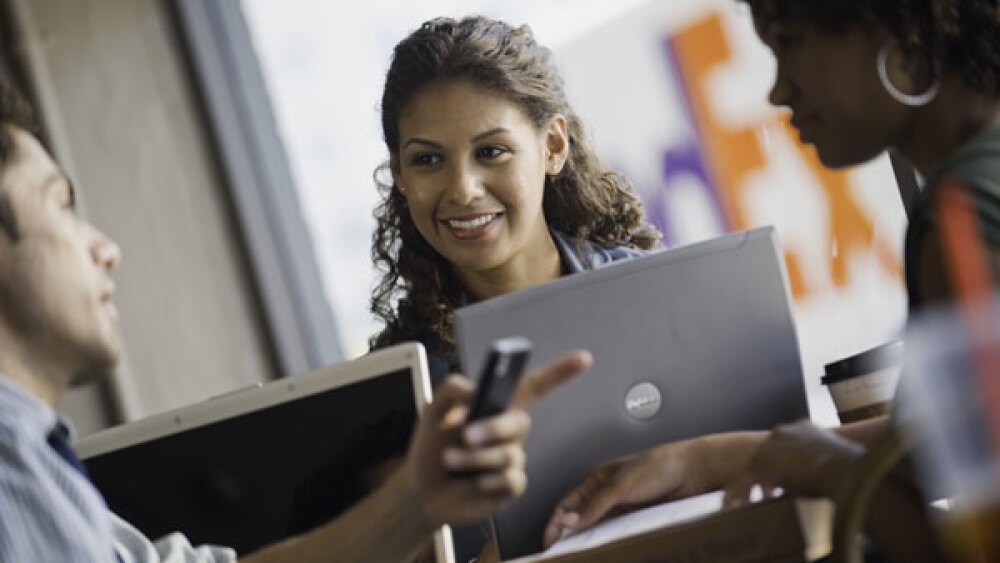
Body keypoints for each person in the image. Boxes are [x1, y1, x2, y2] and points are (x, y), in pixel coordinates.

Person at [0, 81, 593, 562]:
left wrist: (417, 501)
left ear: (553, 146)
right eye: (58, 204)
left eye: (490, 150)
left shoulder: (44, 474)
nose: (106, 248)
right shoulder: (13, 468)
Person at [544, 1, 1000, 561]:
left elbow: (965, 547)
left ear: (901, 35)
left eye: (789, 44)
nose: (779, 91)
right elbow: (931, 449)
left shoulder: (963, 217)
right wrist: (715, 458)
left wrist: (823, 465)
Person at [369, 16, 661, 383]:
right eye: (428, 160)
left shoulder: (654, 295)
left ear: (553, 146)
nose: (463, 189)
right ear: (400, 174)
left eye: (491, 152)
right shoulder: (400, 388)